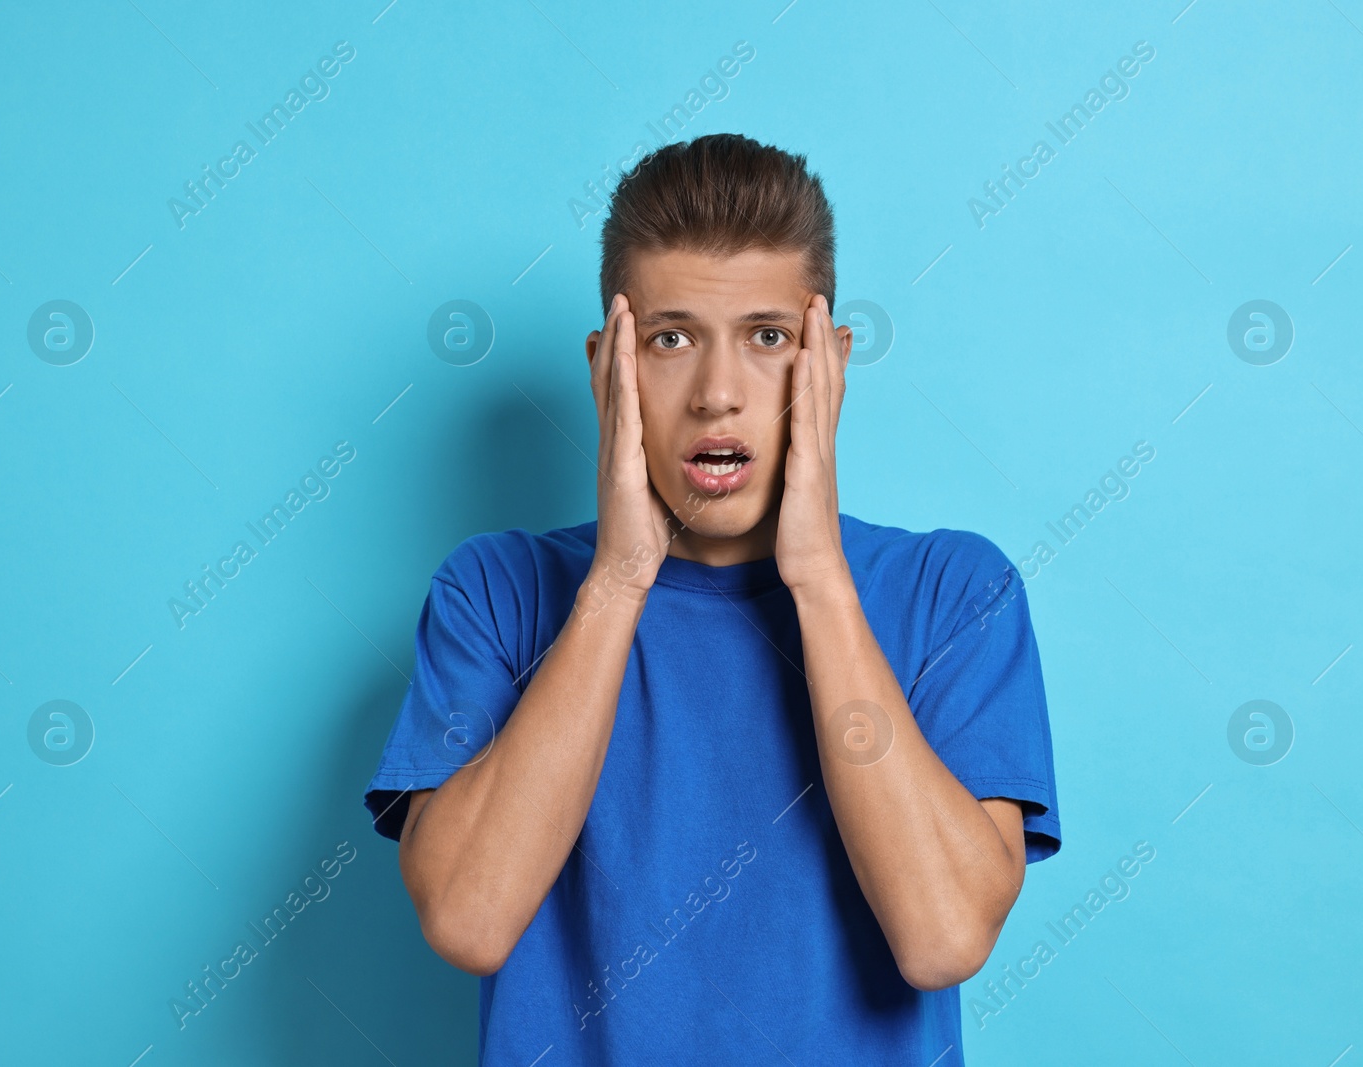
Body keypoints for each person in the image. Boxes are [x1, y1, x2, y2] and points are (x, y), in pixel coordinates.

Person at [363, 132, 1061, 1065]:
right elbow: (468, 919)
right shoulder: (496, 592)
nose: (718, 393)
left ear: (832, 363)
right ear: (608, 364)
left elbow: (942, 937)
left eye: (767, 338)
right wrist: (618, 579)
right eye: (670, 340)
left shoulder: (954, 595)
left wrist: (817, 577)